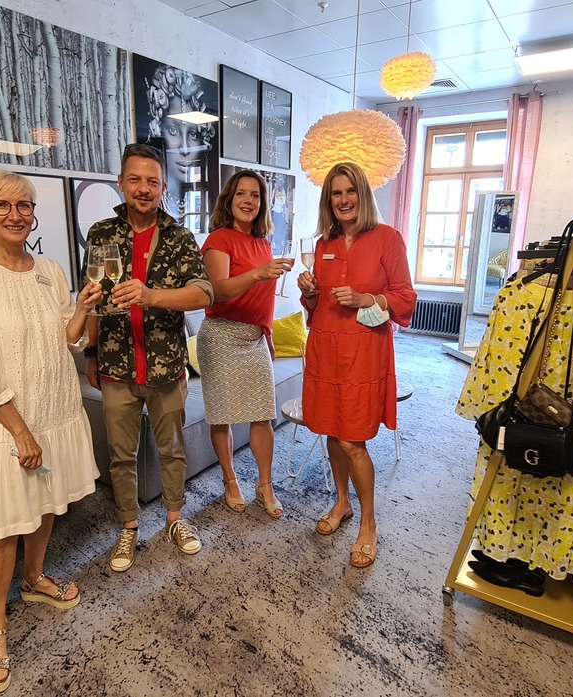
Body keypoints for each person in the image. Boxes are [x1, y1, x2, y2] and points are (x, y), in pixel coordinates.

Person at [0, 170, 101, 694]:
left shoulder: (51, 270)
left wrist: (83, 308)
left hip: (54, 408)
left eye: (24, 205)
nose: (15, 215)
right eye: (3, 205)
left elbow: (69, 338)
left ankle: (35, 579)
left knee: (46, 503)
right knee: (2, 526)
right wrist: (20, 433)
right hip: (8, 422)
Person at [83, 143, 214, 573]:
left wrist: (151, 295)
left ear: (162, 188)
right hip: (115, 367)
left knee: (172, 450)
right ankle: (128, 526)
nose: (143, 188)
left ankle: (175, 518)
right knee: (121, 455)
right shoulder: (101, 234)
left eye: (152, 181)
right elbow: (92, 300)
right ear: (121, 183)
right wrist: (90, 353)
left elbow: (203, 293)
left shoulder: (179, 237)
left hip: (166, 367)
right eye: (135, 179)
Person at [295, 161, 417, 569]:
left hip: (364, 352)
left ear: (363, 194)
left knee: (352, 440)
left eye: (350, 191)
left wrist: (369, 299)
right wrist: (309, 292)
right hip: (325, 347)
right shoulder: (324, 243)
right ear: (328, 200)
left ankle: (369, 524)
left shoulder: (388, 238)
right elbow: (316, 307)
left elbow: (405, 297)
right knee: (332, 431)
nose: (344, 199)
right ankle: (342, 502)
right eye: (336, 193)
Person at [198, 170, 292, 517]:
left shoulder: (263, 243)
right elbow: (217, 290)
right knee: (222, 417)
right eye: (241, 193)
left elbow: (264, 299)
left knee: (263, 416)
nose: (248, 200)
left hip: (254, 339)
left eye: (255, 195)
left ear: (262, 202)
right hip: (221, 335)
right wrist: (256, 273)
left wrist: (268, 335)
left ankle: (265, 485)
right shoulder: (219, 239)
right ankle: (230, 480)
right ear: (229, 198)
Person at [141, 65, 216, 234]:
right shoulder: (105, 231)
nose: (185, 148)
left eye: (193, 134)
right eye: (174, 131)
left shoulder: (183, 238)